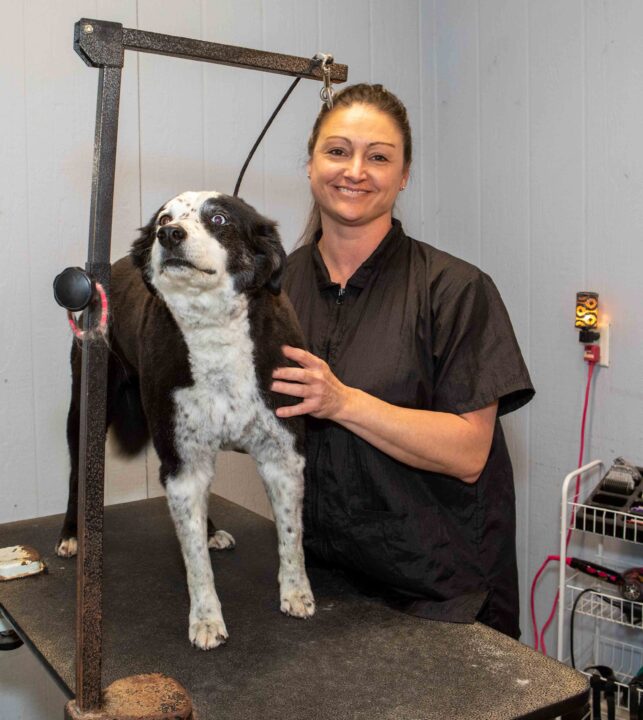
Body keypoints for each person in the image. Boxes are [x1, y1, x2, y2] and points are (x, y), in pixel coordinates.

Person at [270, 83, 534, 639]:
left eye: (379, 156)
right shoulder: (278, 289)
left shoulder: (455, 290)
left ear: (405, 174)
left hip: (440, 594)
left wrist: (343, 401)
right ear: (311, 163)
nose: (355, 171)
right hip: (326, 584)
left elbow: (468, 452)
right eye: (338, 150)